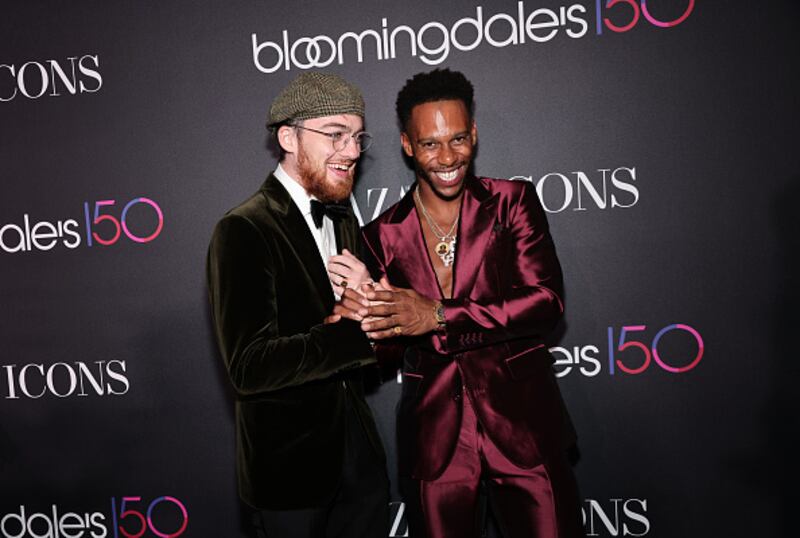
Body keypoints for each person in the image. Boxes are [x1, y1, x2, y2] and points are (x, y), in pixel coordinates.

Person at [335, 68, 584, 538]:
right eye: (430, 144)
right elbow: (386, 354)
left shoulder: (513, 202)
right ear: (408, 145)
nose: (448, 157)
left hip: (524, 431)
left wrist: (437, 314)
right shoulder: (380, 236)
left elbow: (544, 302)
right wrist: (368, 319)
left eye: (458, 139)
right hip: (436, 443)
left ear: (474, 133)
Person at [207, 72, 389, 538]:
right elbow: (249, 366)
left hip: (359, 463)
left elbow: (361, 328)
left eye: (357, 137)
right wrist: (354, 333)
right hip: (289, 475)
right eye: (335, 134)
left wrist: (372, 303)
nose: (351, 151)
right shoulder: (244, 229)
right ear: (288, 138)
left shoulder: (343, 218)